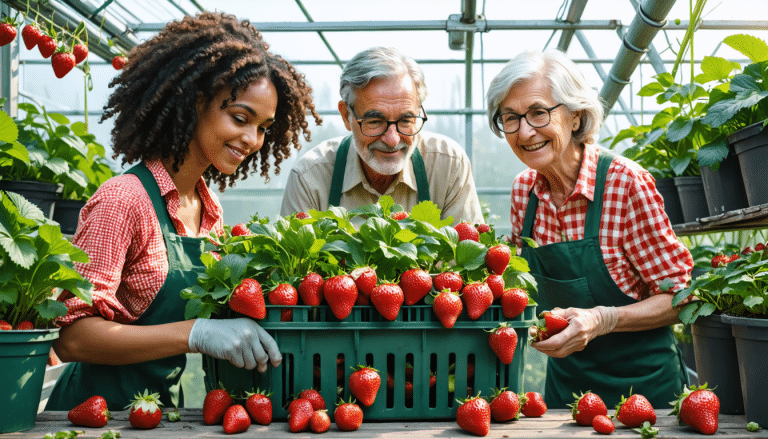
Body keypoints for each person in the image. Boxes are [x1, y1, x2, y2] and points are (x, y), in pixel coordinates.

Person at [46, 12, 321, 411]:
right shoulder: (124, 200)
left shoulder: (209, 209)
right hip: (90, 416)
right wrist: (195, 333)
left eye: (263, 127)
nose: (252, 140)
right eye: (240, 118)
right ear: (195, 102)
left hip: (159, 412)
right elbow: (72, 338)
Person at [485, 49, 692, 409]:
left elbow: (682, 297)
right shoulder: (524, 192)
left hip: (647, 397)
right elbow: (525, 287)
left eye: (538, 112)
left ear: (575, 114)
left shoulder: (624, 183)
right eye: (510, 118)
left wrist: (603, 318)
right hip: (568, 398)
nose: (525, 131)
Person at [280, 46, 483, 226]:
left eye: (406, 120)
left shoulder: (447, 165)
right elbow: (297, 267)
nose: (393, 140)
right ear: (346, 115)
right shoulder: (310, 177)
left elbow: (465, 263)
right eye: (375, 121)